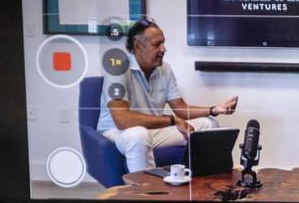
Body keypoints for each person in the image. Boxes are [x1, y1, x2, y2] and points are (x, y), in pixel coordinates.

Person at [96, 17, 238, 172]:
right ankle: (145, 193)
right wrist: (171, 120)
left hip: (153, 130)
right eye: (157, 44)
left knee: (209, 124)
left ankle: (204, 184)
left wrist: (213, 109)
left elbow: (181, 108)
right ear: (138, 45)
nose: (164, 49)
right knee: (138, 135)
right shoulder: (117, 68)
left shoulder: (165, 69)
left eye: (163, 43)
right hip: (118, 133)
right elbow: (122, 120)